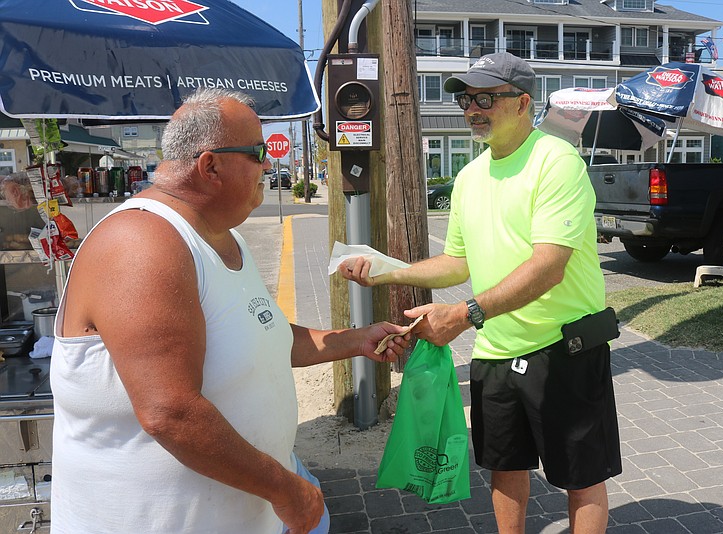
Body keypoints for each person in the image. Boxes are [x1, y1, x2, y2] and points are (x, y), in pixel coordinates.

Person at [50, 88, 411, 534]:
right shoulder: (141, 242)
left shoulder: (223, 236)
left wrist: (357, 339)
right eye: (258, 152)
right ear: (211, 166)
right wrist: (288, 490)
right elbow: (171, 412)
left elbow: (264, 335)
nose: (269, 164)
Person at [339, 52, 621, 533]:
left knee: (581, 476)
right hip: (494, 348)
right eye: (467, 98)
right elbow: (459, 262)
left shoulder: (556, 162)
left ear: (523, 103)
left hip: (564, 348)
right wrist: (387, 272)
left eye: (486, 97)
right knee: (504, 467)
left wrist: (464, 314)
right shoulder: (469, 177)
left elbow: (548, 266)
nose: (472, 108)